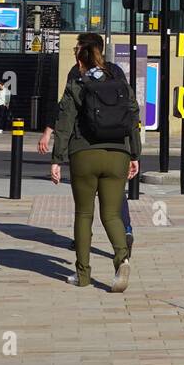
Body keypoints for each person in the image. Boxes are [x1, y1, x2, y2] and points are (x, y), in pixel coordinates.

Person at [50, 40, 140, 291]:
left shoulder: (77, 84)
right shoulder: (120, 83)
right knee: (111, 214)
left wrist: (57, 159)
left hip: (84, 154)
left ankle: (83, 275)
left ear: (80, 61)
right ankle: (122, 258)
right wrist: (135, 154)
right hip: (118, 153)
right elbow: (133, 116)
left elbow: (64, 122)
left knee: (84, 214)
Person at [38, 33, 135, 253]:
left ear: (85, 50)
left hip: (84, 146)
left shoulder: (77, 72)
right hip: (116, 144)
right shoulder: (115, 71)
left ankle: (83, 243)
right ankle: (126, 232)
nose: (76, 49)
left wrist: (50, 137)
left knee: (85, 205)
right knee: (116, 195)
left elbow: (66, 110)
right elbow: (129, 111)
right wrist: (132, 152)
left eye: (78, 46)